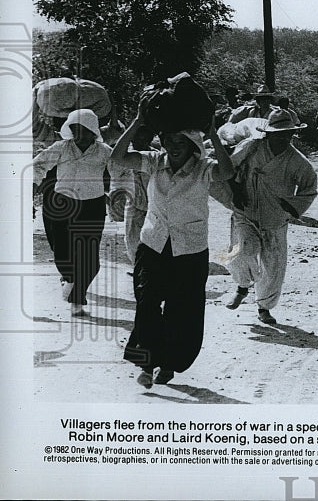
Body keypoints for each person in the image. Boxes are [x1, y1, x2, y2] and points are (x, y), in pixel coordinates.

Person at [112, 111, 234, 388]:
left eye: (182, 140)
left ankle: (168, 364)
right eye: (170, 139)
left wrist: (212, 132)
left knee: (183, 310)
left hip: (189, 249)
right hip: (154, 243)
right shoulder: (154, 162)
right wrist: (137, 122)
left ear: (193, 145)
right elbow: (118, 159)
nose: (175, 145)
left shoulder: (204, 167)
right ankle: (146, 363)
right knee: (147, 302)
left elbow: (228, 172)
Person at [223, 109, 318, 325]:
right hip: (245, 211)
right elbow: (229, 167)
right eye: (278, 134)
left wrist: (291, 205)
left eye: (288, 134)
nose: (283, 138)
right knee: (241, 252)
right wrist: (235, 190)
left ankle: (264, 307)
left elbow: (309, 187)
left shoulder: (297, 161)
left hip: (274, 217)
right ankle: (241, 286)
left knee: (273, 265)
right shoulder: (251, 147)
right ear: (268, 134)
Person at [33, 108, 129, 316]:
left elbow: (120, 171)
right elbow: (38, 165)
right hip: (60, 204)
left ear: (94, 131)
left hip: (91, 206)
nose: (81, 136)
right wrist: (31, 185)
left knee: (90, 261)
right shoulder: (61, 147)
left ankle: (76, 294)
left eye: (85, 131)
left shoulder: (104, 151)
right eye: (76, 130)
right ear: (70, 130)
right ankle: (70, 282)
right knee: (61, 251)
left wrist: (119, 193)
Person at [122, 124, 155, 266]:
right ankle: (138, 267)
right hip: (133, 205)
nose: (139, 143)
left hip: (154, 206)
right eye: (136, 139)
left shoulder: (156, 157)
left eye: (143, 139)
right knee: (132, 238)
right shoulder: (125, 156)